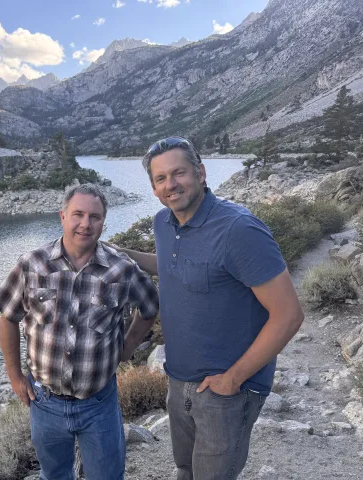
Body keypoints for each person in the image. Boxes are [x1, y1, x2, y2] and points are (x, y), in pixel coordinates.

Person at [113, 137, 304, 480]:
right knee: (185, 468)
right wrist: (119, 254)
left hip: (228, 390)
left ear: (200, 173)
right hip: (178, 378)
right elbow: (177, 264)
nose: (170, 184)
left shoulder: (239, 229)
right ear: (154, 187)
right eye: (160, 179)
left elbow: (289, 315)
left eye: (179, 173)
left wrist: (234, 378)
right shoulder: (163, 222)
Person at [0, 183, 159, 480]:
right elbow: (8, 318)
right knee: (54, 475)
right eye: (77, 214)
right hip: (45, 403)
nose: (85, 224)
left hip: (99, 403)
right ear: (63, 216)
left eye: (94, 217)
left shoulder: (122, 269)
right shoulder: (33, 264)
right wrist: (15, 377)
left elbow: (149, 307)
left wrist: (128, 347)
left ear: (103, 222)